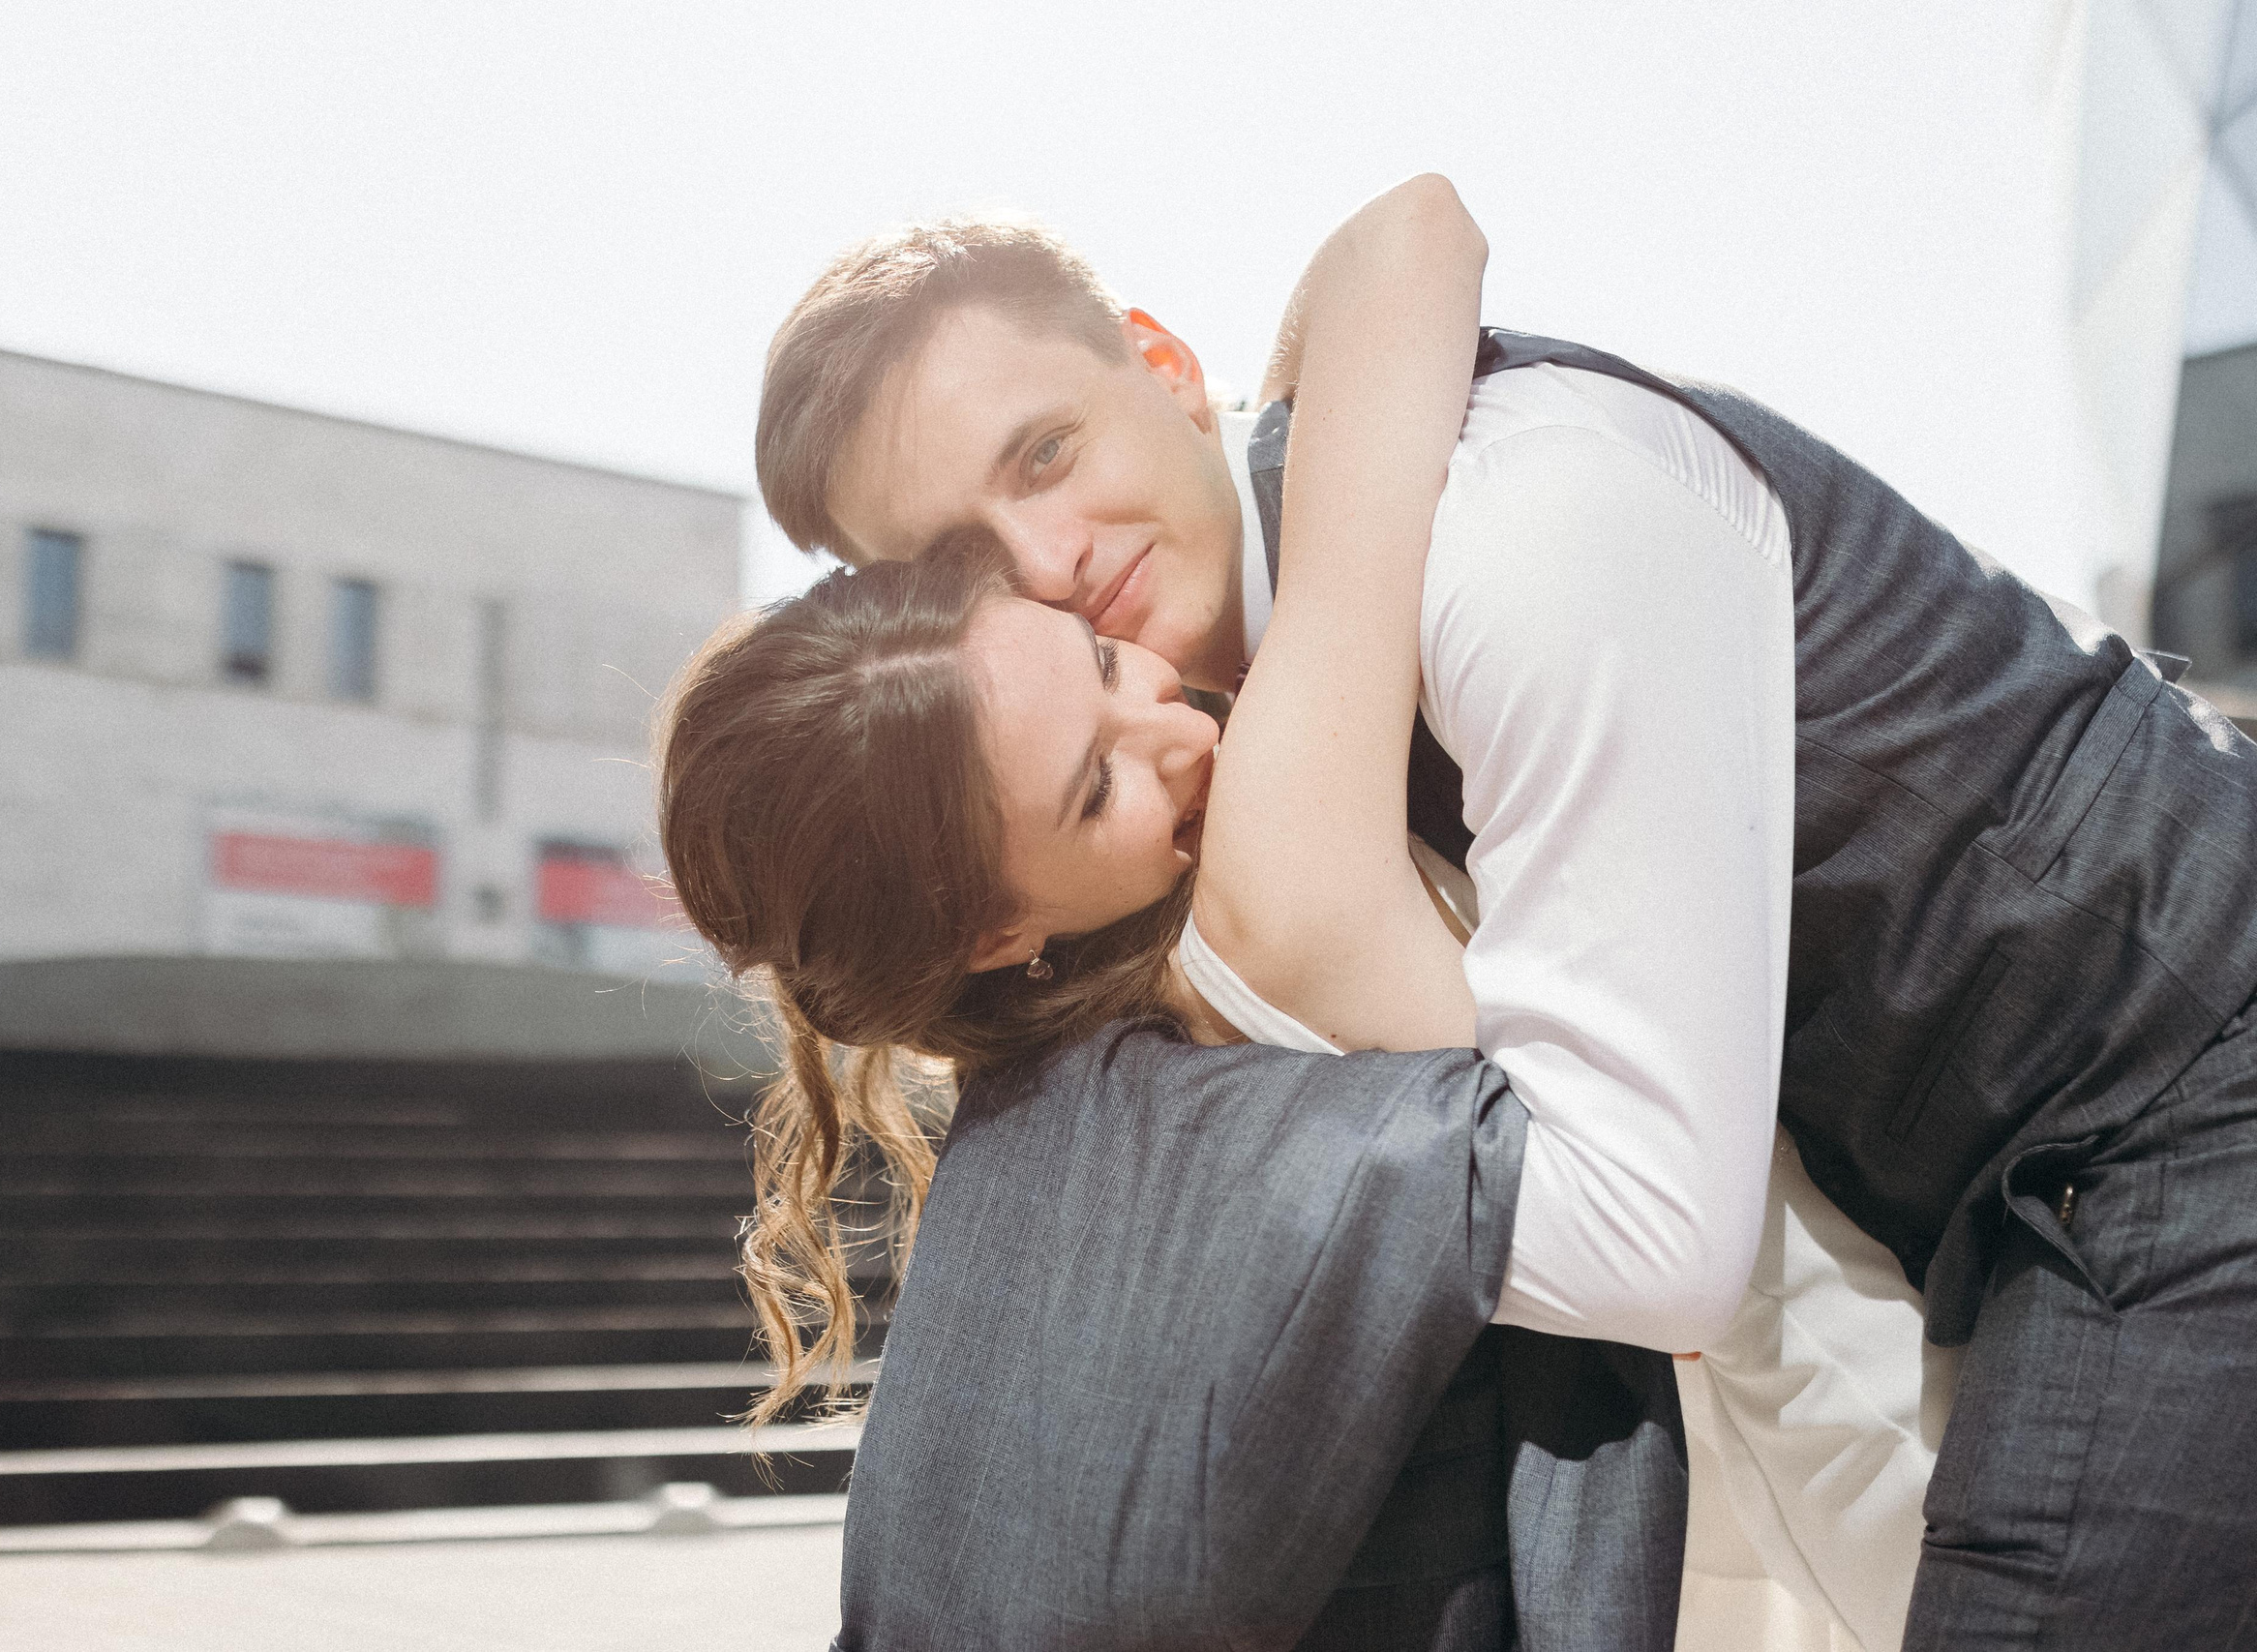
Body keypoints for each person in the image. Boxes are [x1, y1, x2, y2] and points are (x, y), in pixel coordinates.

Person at [735, 178, 2257, 1651]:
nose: (1051, 560)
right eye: (961, 561)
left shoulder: (1513, 538)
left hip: (2186, 1073)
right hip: (2007, 1196)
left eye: (1049, 450)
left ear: (1163, 366)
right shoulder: (1236, 742)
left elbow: (1658, 1236)